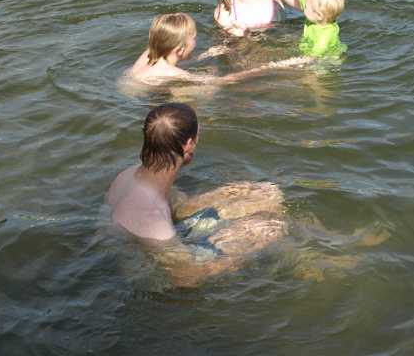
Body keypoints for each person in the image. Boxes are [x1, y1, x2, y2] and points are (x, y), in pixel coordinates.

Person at [106, 103, 287, 287]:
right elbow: (187, 277)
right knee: (269, 227)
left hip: (143, 235)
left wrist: (231, 199)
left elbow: (173, 208)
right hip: (147, 272)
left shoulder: (129, 175)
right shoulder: (154, 221)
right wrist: (244, 248)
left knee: (268, 194)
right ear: (188, 144)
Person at [125, 12, 302, 87]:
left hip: (130, 86)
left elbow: (170, 58)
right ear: (180, 49)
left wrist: (207, 54)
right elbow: (224, 81)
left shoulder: (150, 52)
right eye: (194, 38)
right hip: (146, 98)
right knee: (207, 89)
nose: (196, 40)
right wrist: (271, 67)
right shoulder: (172, 74)